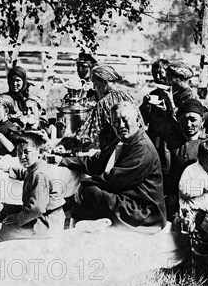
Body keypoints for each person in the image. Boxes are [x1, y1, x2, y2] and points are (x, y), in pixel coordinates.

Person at [59, 102, 167, 233]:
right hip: (129, 201)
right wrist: (65, 161)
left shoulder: (142, 148)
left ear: (138, 120)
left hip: (145, 213)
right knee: (89, 194)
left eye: (125, 120)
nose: (121, 126)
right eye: (116, 122)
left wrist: (83, 184)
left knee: (91, 191)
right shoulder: (124, 140)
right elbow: (97, 162)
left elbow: (115, 180)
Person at [0, 133, 66, 245]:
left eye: (26, 152)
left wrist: (17, 218)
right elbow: (27, 173)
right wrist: (8, 169)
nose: (22, 157)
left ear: (39, 152)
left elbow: (37, 209)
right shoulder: (36, 167)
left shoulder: (39, 175)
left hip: (46, 223)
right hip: (38, 215)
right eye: (19, 153)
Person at [140, 60, 197, 152]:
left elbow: (184, 123)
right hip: (160, 142)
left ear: (180, 78)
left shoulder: (189, 96)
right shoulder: (160, 93)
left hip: (179, 145)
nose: (168, 80)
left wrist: (170, 102)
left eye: (170, 77)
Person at [74, 64, 136, 150]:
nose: (94, 87)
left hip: (111, 149)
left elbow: (90, 133)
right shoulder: (127, 96)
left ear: (104, 82)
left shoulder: (102, 104)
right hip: (131, 146)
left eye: (95, 82)